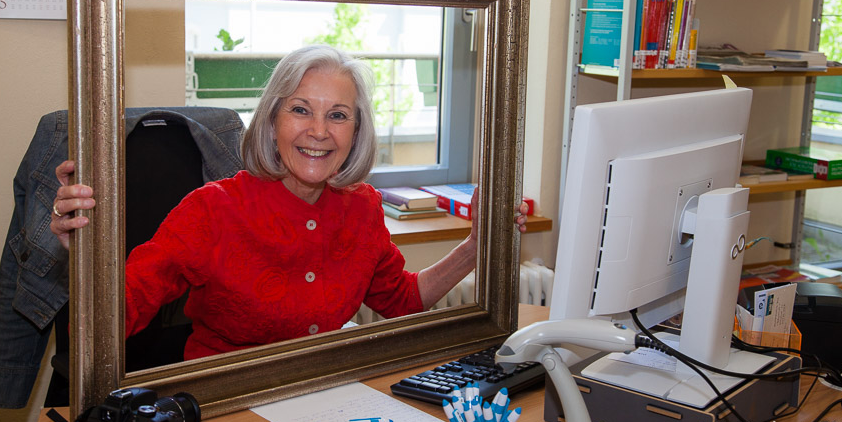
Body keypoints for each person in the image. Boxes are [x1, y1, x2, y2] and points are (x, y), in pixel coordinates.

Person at [51, 45, 528, 360]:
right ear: (271, 119)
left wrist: (476, 246)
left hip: (324, 396)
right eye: (300, 109)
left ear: (356, 131)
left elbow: (400, 301)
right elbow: (103, 330)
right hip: (226, 404)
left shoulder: (361, 207)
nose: (319, 131)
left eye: (337, 115)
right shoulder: (212, 211)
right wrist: (86, 255)